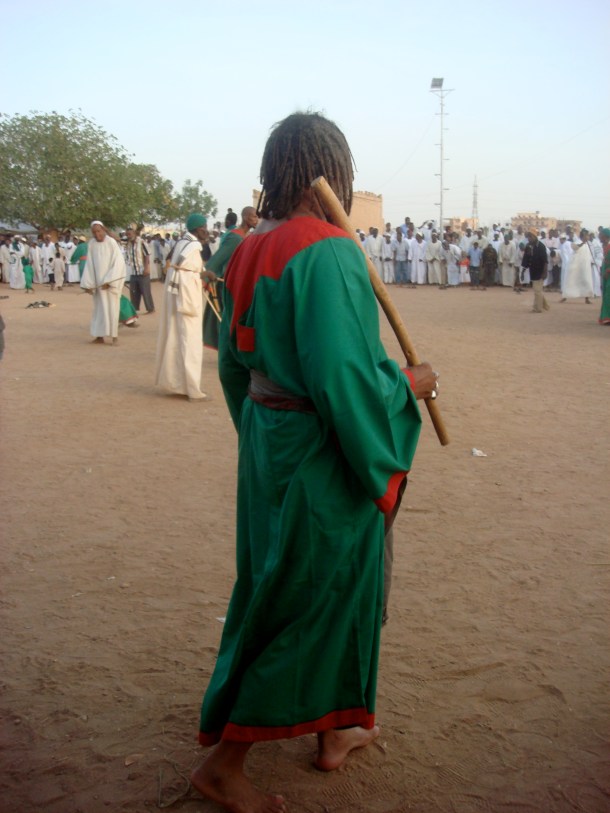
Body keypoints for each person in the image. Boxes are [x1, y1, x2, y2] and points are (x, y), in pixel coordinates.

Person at [191, 111, 436, 813]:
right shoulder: (329, 251)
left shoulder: (242, 248)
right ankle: (224, 763)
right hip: (320, 450)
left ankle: (339, 728)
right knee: (311, 592)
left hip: (272, 444)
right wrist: (409, 386)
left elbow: (234, 367)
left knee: (289, 581)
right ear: (333, 171)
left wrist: (259, 439)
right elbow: (346, 380)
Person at [154, 213, 209, 401]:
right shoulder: (193, 245)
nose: (206, 230)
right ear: (197, 228)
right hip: (186, 298)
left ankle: (180, 384)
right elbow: (187, 273)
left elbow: (186, 268)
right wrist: (201, 277)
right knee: (189, 341)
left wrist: (201, 272)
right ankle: (193, 390)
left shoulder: (181, 242)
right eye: (204, 226)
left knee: (178, 338)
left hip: (177, 293)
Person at [203, 206, 258, 349]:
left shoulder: (246, 237)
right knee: (228, 321)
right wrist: (205, 278)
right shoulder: (235, 238)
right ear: (246, 218)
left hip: (238, 285)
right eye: (254, 216)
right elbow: (217, 260)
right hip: (227, 285)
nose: (257, 220)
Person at [80, 221, 127, 345]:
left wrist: (109, 281)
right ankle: (99, 336)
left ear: (103, 230)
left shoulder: (111, 242)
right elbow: (89, 264)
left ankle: (114, 337)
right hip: (98, 285)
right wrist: (88, 284)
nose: (97, 234)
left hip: (109, 286)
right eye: (94, 232)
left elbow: (118, 263)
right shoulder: (91, 244)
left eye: (99, 231)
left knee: (112, 309)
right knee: (99, 311)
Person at [125, 225, 155, 314]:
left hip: (143, 272)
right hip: (134, 272)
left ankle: (150, 308)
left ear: (134, 233)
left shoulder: (142, 242)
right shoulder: (128, 243)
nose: (128, 235)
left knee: (145, 291)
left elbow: (147, 255)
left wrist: (146, 268)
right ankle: (134, 309)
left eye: (129, 234)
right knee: (133, 292)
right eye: (127, 234)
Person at [560, 229, 593, 305]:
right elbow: (574, 247)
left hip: (584, 266)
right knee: (571, 281)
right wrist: (582, 243)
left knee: (586, 280)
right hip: (575, 266)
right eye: (586, 235)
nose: (588, 237)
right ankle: (565, 297)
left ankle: (587, 298)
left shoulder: (588, 244)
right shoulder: (577, 242)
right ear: (583, 235)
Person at [522, 228, 550, 313]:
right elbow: (526, 259)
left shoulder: (541, 246)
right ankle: (545, 305)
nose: (529, 238)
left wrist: (545, 272)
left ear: (535, 236)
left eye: (530, 237)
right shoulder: (528, 246)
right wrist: (523, 271)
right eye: (528, 237)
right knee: (537, 289)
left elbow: (545, 260)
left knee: (537, 290)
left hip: (540, 270)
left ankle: (537, 308)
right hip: (532, 270)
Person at [598, 228, 610, 325]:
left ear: (605, 237)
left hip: (608, 273)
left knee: (608, 296)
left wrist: (608, 270)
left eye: (600, 235)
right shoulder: (604, 247)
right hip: (605, 274)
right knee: (605, 295)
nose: (599, 236)